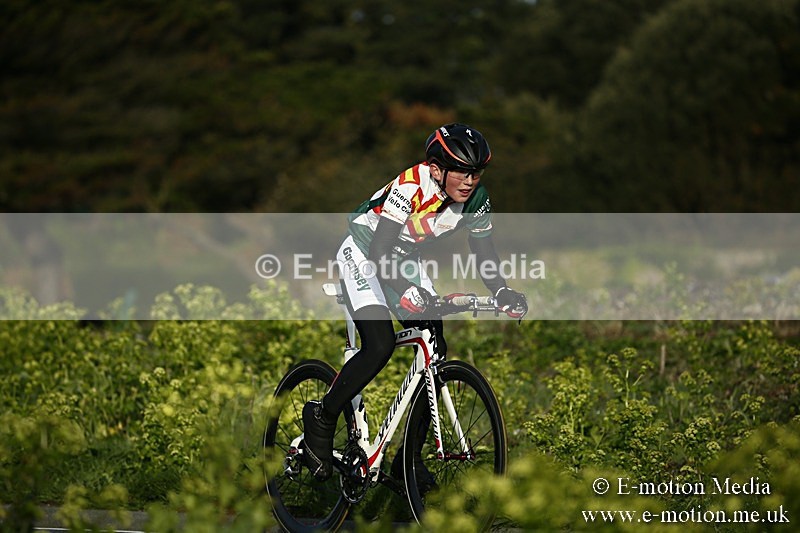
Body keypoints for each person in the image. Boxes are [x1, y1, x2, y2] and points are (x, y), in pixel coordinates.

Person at [302, 123, 528, 481]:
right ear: (436, 170)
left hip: (404, 258)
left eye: (476, 173)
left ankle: (408, 459)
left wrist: (501, 290)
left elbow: (483, 251)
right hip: (365, 252)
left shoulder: (477, 199)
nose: (470, 181)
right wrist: (404, 290)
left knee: (434, 347)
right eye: (462, 172)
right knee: (379, 344)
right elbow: (379, 252)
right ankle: (322, 415)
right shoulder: (410, 186)